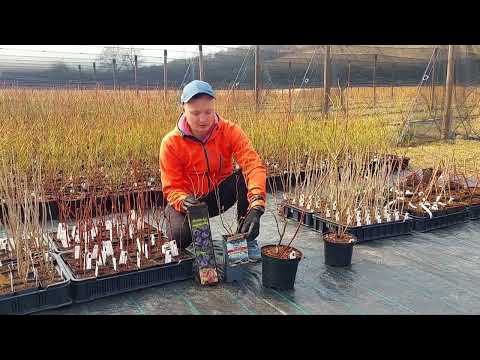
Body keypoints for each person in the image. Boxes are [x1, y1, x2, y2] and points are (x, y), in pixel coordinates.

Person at [160, 80, 266, 261]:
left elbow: (253, 166)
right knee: (178, 238)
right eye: (195, 113)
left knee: (245, 177)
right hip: (189, 203)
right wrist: (183, 201)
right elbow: (171, 187)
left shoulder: (230, 131)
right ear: (183, 109)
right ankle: (199, 242)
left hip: (218, 196)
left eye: (208, 112)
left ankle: (246, 239)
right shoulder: (171, 143)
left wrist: (256, 208)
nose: (203, 119)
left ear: (214, 107)